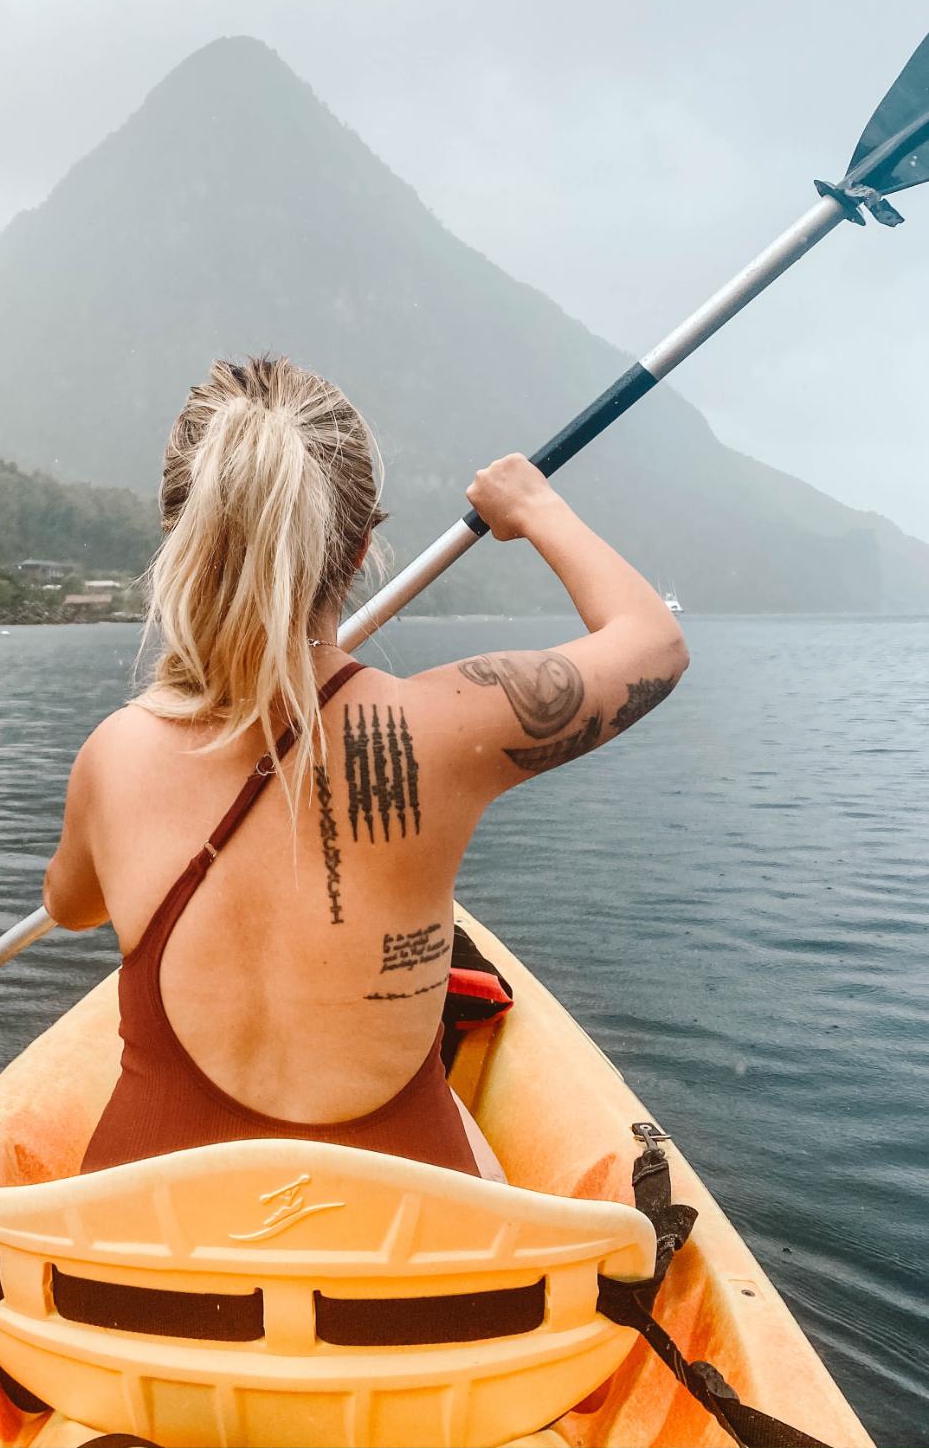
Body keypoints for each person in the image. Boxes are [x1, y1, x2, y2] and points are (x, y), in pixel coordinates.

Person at [43, 355, 688, 1181]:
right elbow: (654, 644)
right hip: (402, 1269)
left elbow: (70, 906)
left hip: (140, 1267)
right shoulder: (444, 730)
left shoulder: (113, 753)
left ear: (185, 535)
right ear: (359, 553)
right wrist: (534, 507)